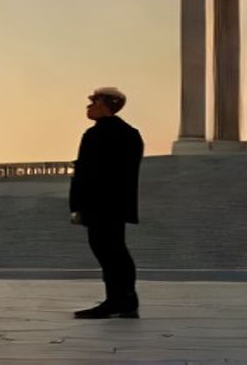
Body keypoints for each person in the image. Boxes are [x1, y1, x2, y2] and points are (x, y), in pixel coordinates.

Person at [69, 86, 144, 319]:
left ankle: (116, 301)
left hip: (97, 203)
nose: (89, 107)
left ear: (104, 105)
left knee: (107, 251)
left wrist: (77, 206)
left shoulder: (95, 134)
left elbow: (86, 174)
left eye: (94, 102)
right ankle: (126, 299)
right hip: (117, 204)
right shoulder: (131, 134)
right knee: (117, 251)